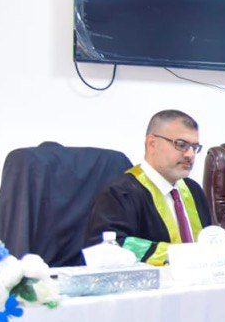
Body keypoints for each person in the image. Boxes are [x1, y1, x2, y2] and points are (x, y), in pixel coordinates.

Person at [84, 109, 213, 266]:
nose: (190, 155)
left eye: (194, 147)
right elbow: (110, 247)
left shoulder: (193, 190)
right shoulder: (120, 193)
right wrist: (176, 255)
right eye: (181, 145)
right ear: (152, 144)